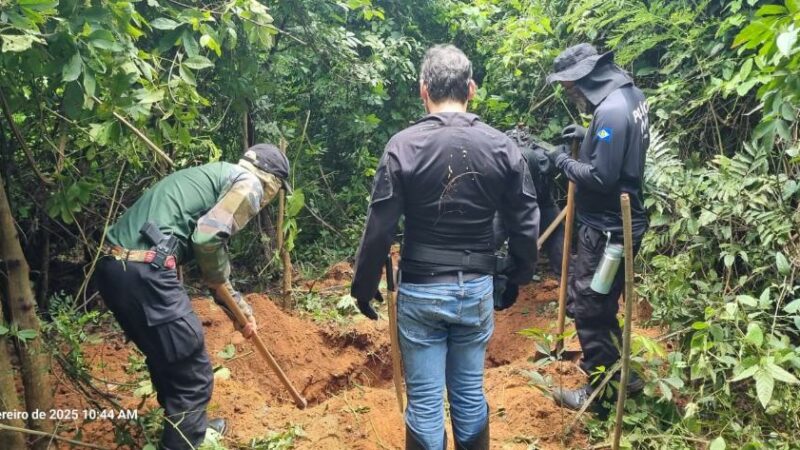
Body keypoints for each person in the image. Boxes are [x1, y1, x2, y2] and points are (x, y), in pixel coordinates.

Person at [350, 44, 540, 450]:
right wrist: (516, 275)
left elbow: (380, 227)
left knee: (424, 404)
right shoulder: (502, 147)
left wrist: (363, 287)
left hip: (421, 289)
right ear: (471, 88)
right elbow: (525, 217)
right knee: (470, 395)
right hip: (475, 289)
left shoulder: (402, 146)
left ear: (423, 90)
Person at [93, 144, 289, 449]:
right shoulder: (249, 185)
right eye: (275, 193)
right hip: (145, 270)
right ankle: (183, 441)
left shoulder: (216, 174)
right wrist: (235, 302)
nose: (268, 200)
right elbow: (208, 239)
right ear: (271, 182)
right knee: (191, 371)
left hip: (113, 269)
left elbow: (206, 246)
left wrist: (237, 308)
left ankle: (186, 430)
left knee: (166, 357)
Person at [544, 43, 650, 411]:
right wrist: (589, 135)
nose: (570, 94)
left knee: (590, 305)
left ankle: (601, 393)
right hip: (621, 223)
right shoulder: (629, 96)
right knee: (601, 302)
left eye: (570, 88)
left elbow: (601, 177)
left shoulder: (610, 113)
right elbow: (612, 144)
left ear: (583, 80)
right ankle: (623, 377)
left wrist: (561, 161)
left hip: (609, 233)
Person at [500, 125, 565, 278]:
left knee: (559, 246)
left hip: (542, 202)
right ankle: (503, 283)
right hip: (507, 205)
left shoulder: (544, 161)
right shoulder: (501, 162)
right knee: (493, 240)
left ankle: (568, 288)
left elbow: (567, 163)